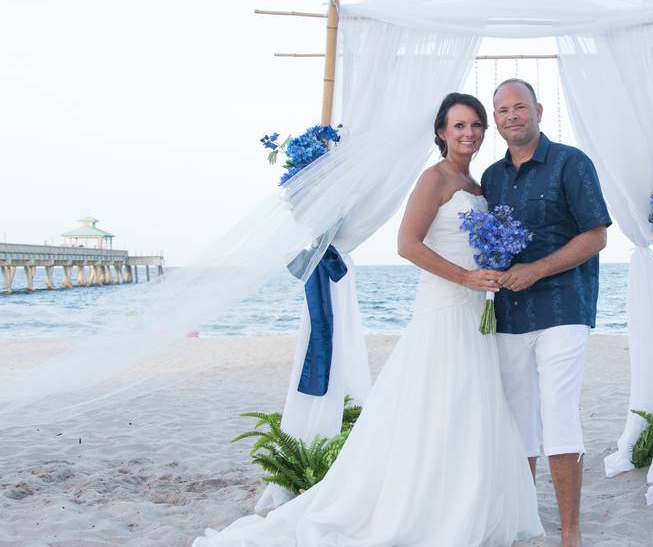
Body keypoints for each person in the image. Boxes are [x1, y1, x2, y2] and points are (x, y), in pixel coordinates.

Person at [193, 93, 543, 547]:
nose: (469, 133)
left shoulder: (477, 185)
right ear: (441, 132)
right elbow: (408, 245)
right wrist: (465, 276)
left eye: (476, 124)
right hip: (444, 308)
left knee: (470, 408)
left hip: (478, 309)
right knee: (439, 406)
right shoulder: (433, 179)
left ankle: (464, 504)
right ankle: (427, 512)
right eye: (459, 125)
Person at [482, 79, 611, 547]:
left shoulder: (572, 163)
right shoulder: (492, 178)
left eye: (519, 107)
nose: (511, 116)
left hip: (564, 307)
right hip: (510, 314)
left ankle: (571, 532)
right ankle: (523, 519)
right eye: (502, 110)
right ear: (495, 119)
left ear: (538, 109)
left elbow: (595, 235)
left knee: (558, 415)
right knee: (519, 422)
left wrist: (536, 269)